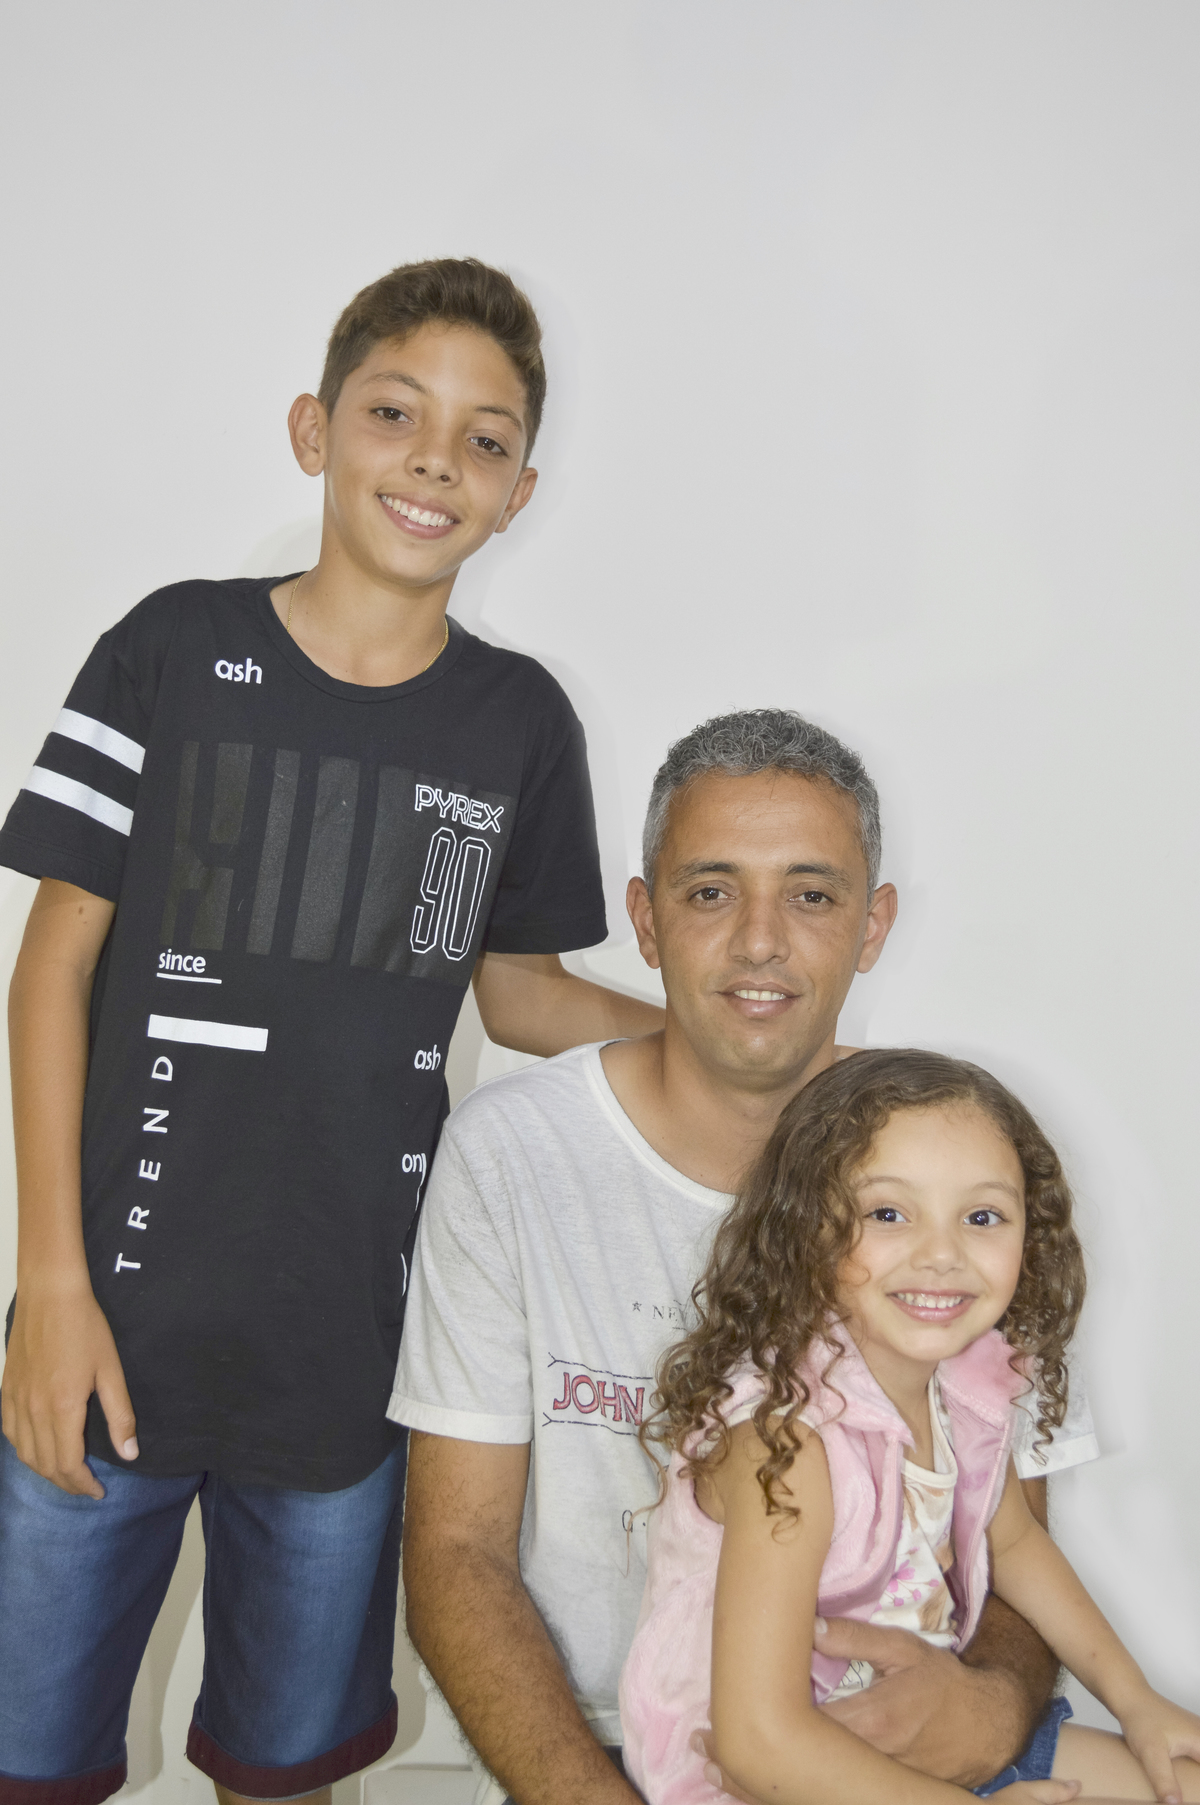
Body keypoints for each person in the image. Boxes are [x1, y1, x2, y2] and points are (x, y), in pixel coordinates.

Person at [0, 257, 662, 1804]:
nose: (434, 460)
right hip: (106, 1334)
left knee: (286, 1765)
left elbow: (520, 992)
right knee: (26, 1757)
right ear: (314, 430)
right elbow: (49, 972)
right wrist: (50, 1287)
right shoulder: (171, 648)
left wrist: (712, 1050)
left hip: (352, 1357)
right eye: (393, 414)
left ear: (519, 493)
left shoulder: (517, 723)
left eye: (484, 440)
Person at [392, 709, 1098, 1805]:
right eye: (712, 891)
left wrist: (995, 1705)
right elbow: (456, 1553)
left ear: (872, 924)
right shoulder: (513, 1153)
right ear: (646, 919)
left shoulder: (956, 1162)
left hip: (911, 1741)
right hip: (605, 1753)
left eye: (811, 895)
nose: (761, 940)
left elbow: (1006, 1536)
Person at [619, 1048, 1200, 1805]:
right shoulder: (784, 1443)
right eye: (888, 1213)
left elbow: (1015, 1543)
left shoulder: (967, 1391)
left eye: (982, 1217)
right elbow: (757, 1743)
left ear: (1031, 1235)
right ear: (806, 1228)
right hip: (772, 1780)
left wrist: (1136, 1700)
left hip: (920, 1746)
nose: (942, 1254)